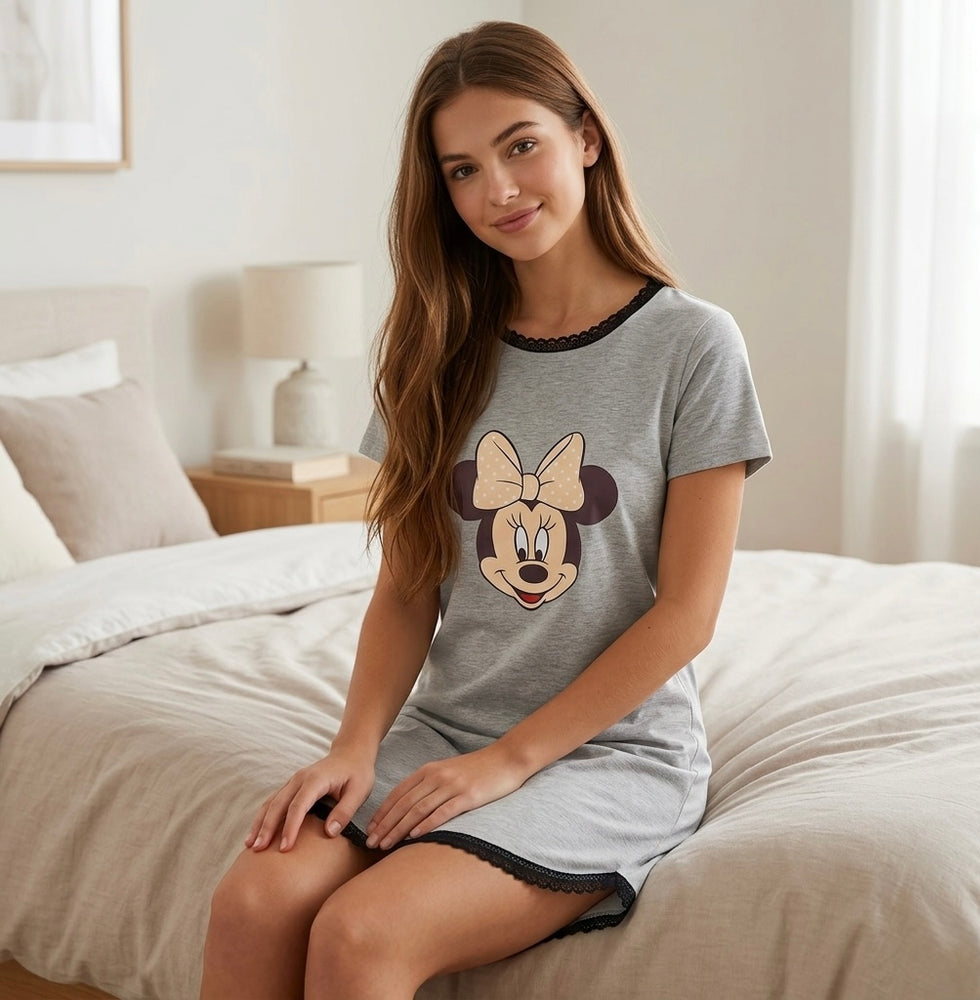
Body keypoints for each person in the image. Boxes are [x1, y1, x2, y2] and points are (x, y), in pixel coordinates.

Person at [200, 19, 770, 1000]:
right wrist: (354, 747)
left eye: (520, 146)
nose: (497, 191)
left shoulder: (692, 346)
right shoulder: (436, 350)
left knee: (362, 934)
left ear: (584, 136)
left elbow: (687, 612)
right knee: (252, 902)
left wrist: (511, 761)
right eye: (461, 170)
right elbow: (407, 587)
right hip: (445, 731)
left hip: (608, 753)